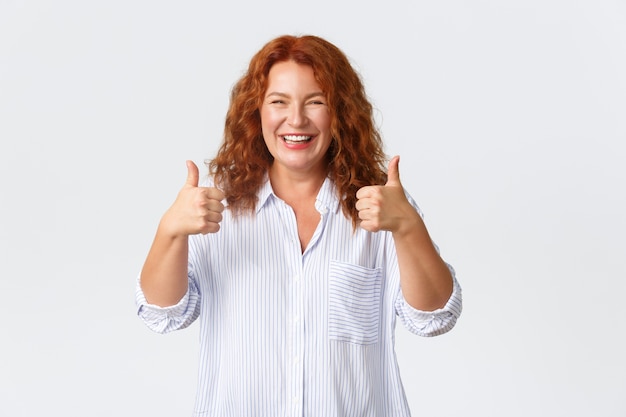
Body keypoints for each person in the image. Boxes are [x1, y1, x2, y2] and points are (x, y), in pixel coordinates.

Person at [136, 34, 462, 417]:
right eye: (279, 102)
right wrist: (169, 232)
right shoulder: (213, 207)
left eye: (315, 102)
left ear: (339, 112)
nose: (296, 120)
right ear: (256, 112)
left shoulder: (383, 206)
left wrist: (408, 228)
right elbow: (163, 315)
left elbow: (435, 318)